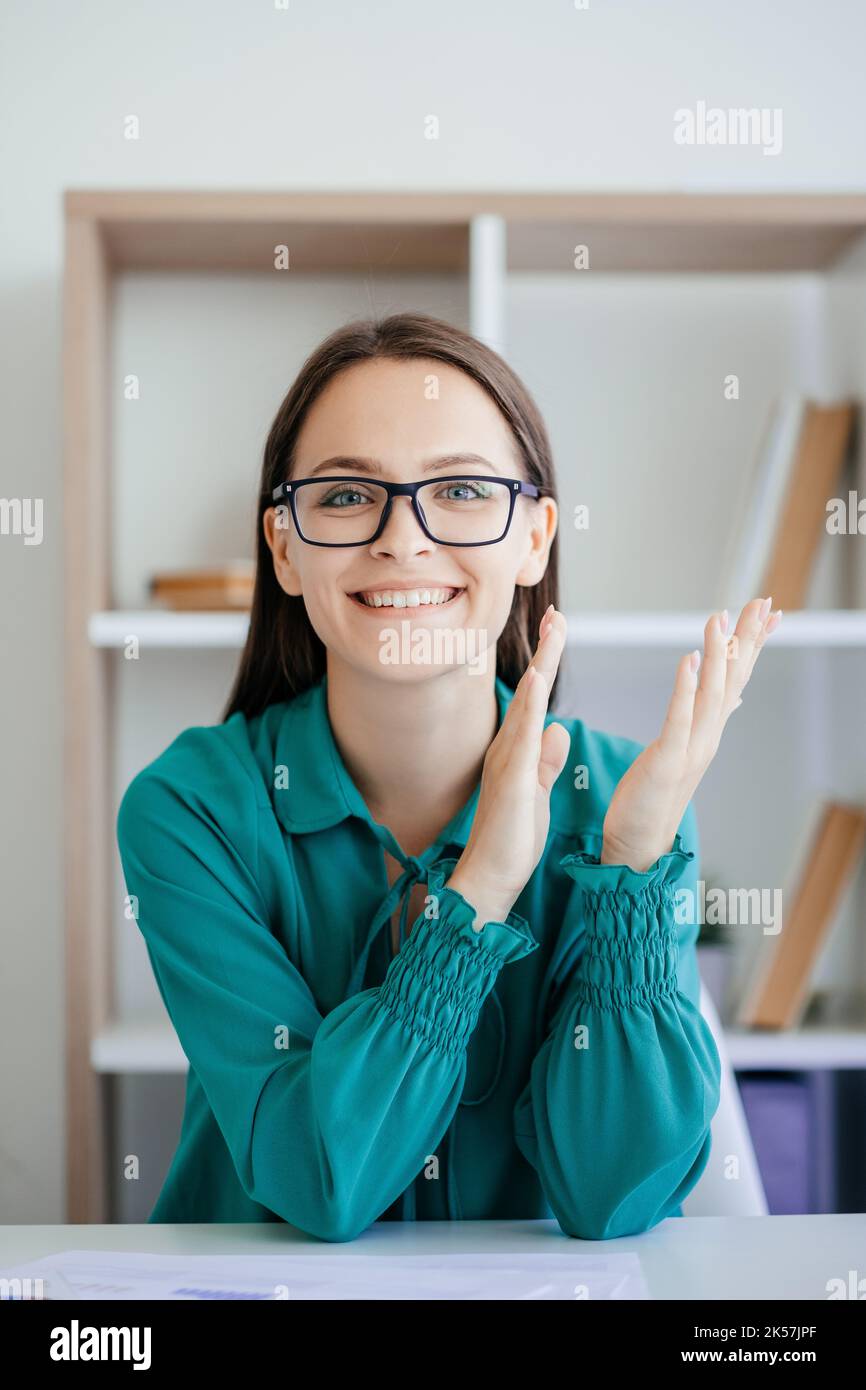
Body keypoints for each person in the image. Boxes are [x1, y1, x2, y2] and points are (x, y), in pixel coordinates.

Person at [116, 312, 781, 1241]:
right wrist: (481, 892)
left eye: (461, 489)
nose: (403, 539)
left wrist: (632, 865)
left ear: (535, 538)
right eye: (347, 497)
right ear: (283, 546)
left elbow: (613, 1199)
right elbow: (322, 1179)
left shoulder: (624, 801)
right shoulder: (190, 809)